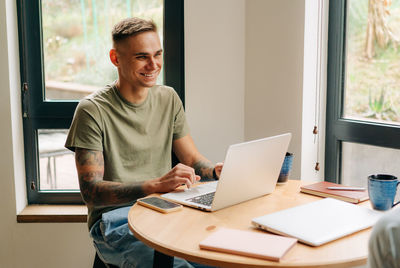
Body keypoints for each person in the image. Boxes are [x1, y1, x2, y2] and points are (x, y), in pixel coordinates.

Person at [65, 17, 223, 268]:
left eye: (157, 54)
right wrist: (156, 185)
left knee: (221, 259)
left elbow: (191, 159)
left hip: (166, 211)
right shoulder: (92, 110)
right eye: (142, 57)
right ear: (116, 58)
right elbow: (91, 191)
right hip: (115, 221)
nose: (154, 64)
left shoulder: (168, 98)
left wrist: (215, 171)